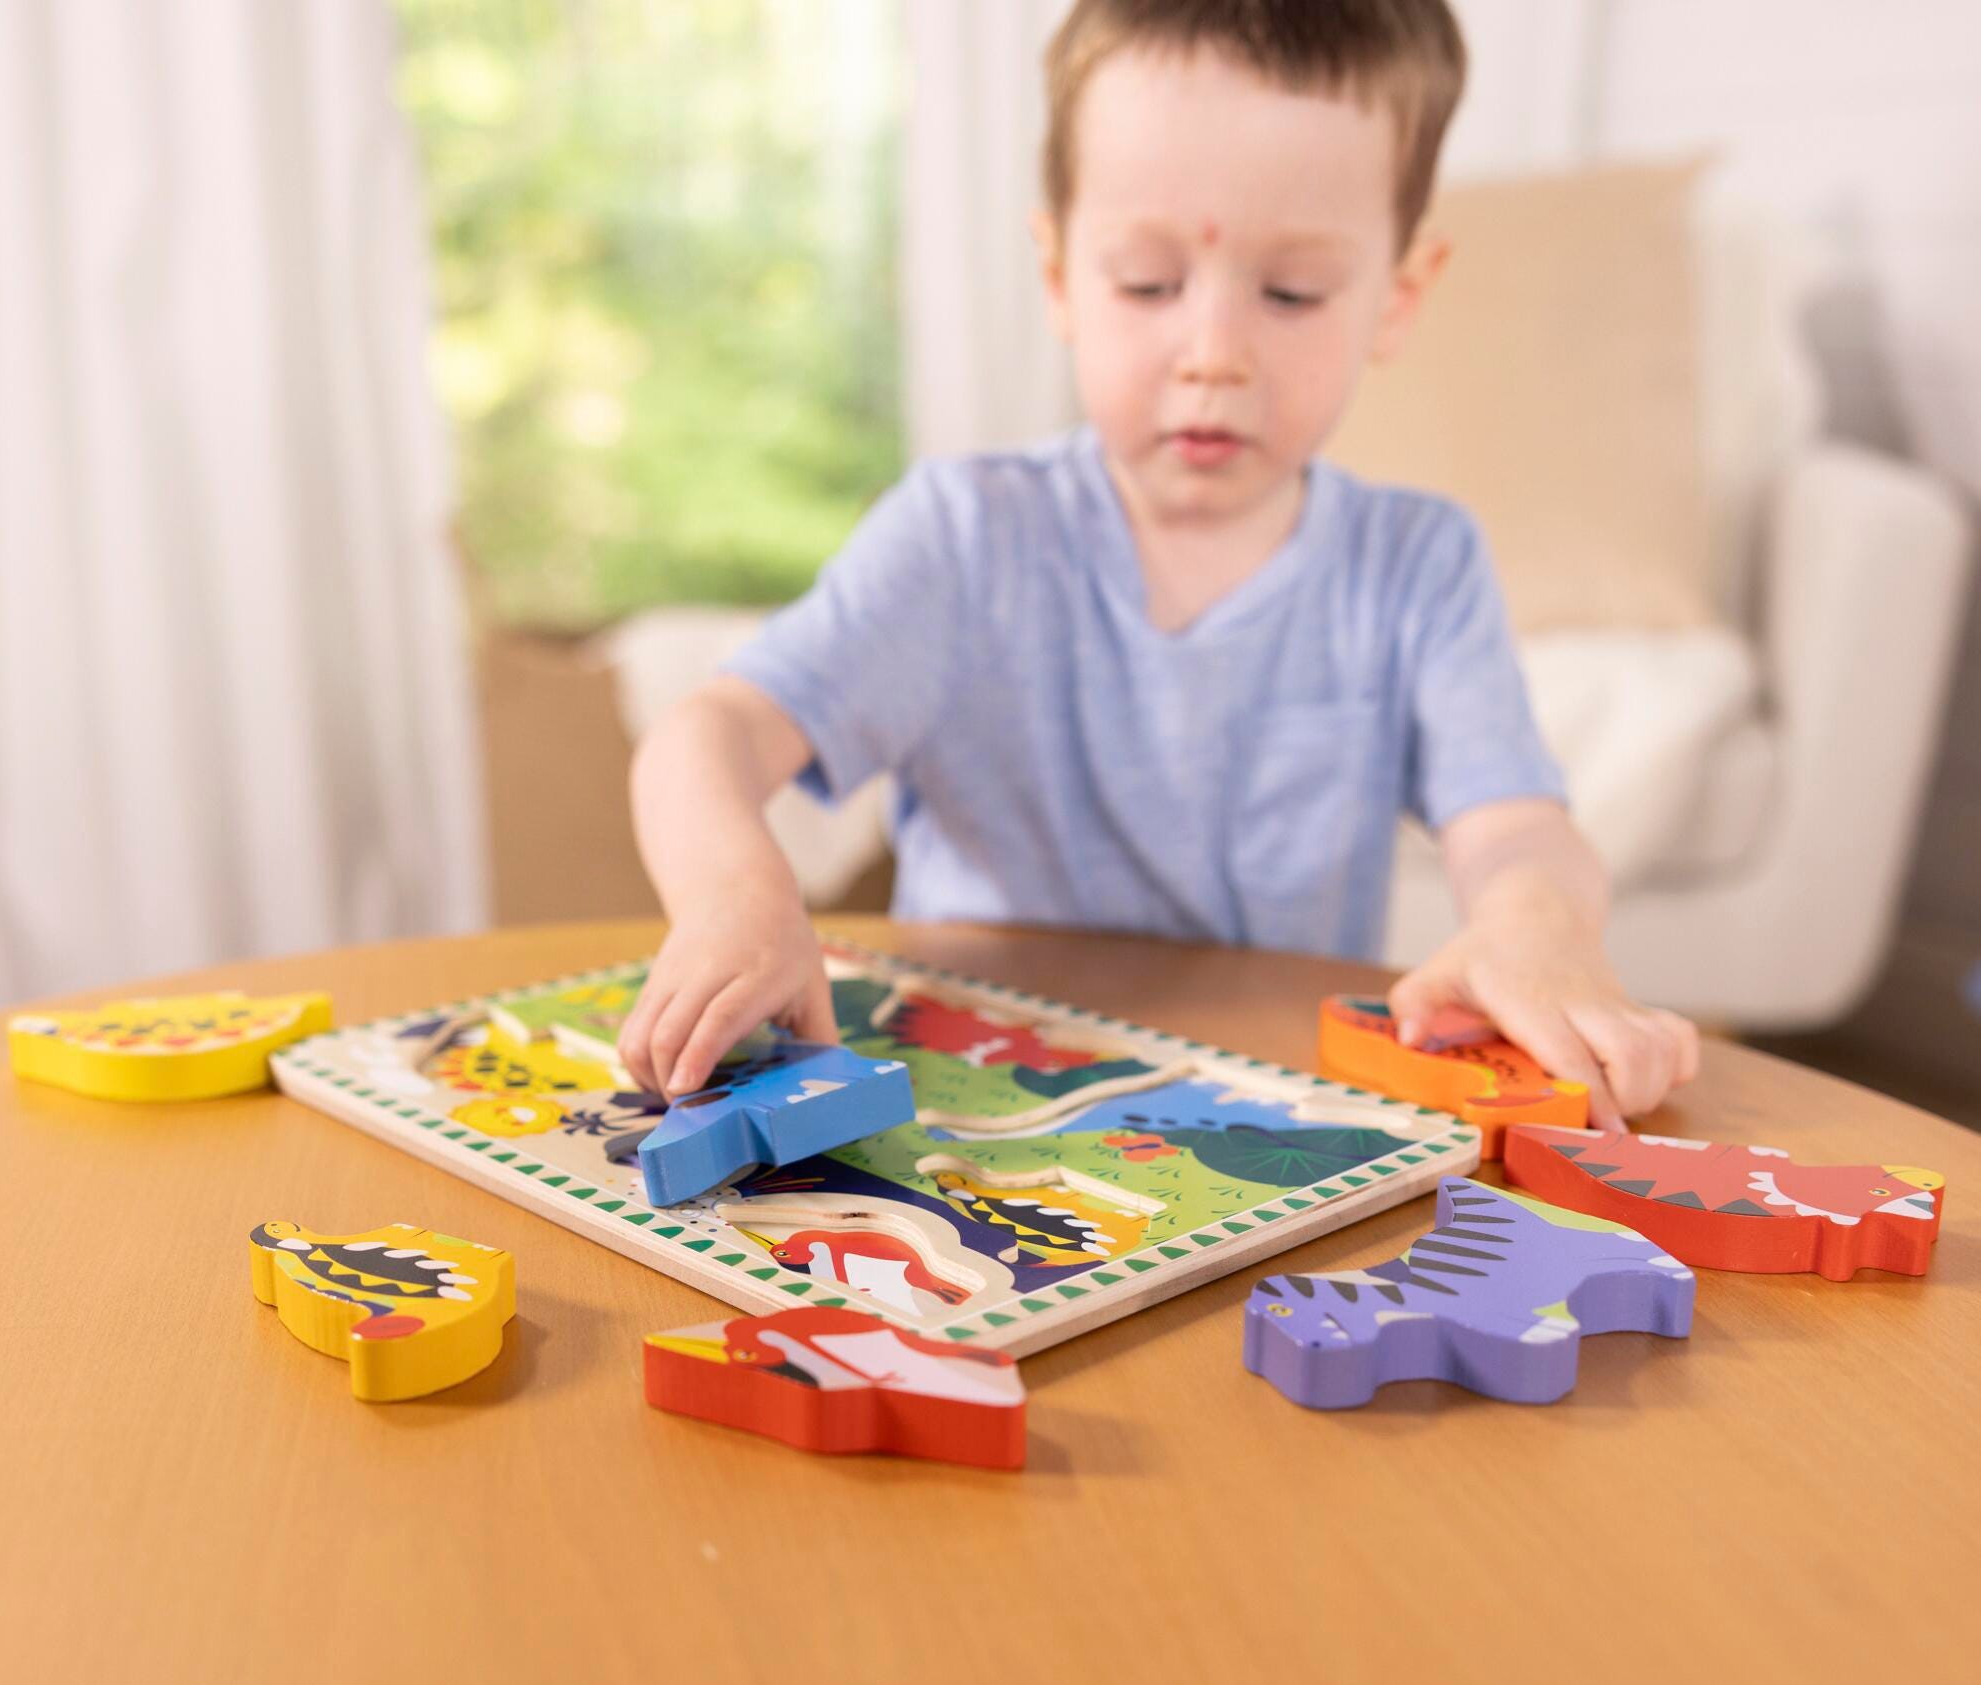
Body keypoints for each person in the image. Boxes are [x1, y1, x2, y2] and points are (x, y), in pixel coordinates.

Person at [619, 0, 1699, 1130]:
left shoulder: (1416, 564)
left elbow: (1516, 827)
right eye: (1145, 282)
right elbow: (708, 735)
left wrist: (1535, 927)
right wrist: (736, 896)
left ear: (1398, 297)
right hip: (964, 1113)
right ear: (1057, 276)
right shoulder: (965, 536)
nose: (1213, 355)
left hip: (1267, 1124)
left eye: (1291, 292)